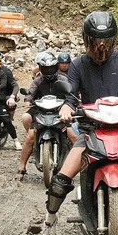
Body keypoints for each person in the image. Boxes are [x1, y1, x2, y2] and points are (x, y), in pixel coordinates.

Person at [39, 11, 118, 235]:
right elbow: (71, 95)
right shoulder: (78, 65)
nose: (101, 47)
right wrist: (65, 107)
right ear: (87, 40)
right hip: (90, 128)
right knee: (61, 179)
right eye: (95, 42)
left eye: (105, 42)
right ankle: (49, 223)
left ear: (113, 40)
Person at [17, 51, 77, 179]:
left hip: (60, 111)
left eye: (51, 68)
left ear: (55, 67)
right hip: (40, 111)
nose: (49, 71)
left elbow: (71, 93)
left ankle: (82, 166)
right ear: (41, 68)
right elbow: (31, 92)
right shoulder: (38, 80)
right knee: (30, 137)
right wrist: (28, 100)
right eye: (46, 68)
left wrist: (70, 102)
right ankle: (22, 167)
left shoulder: (62, 79)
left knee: (73, 136)